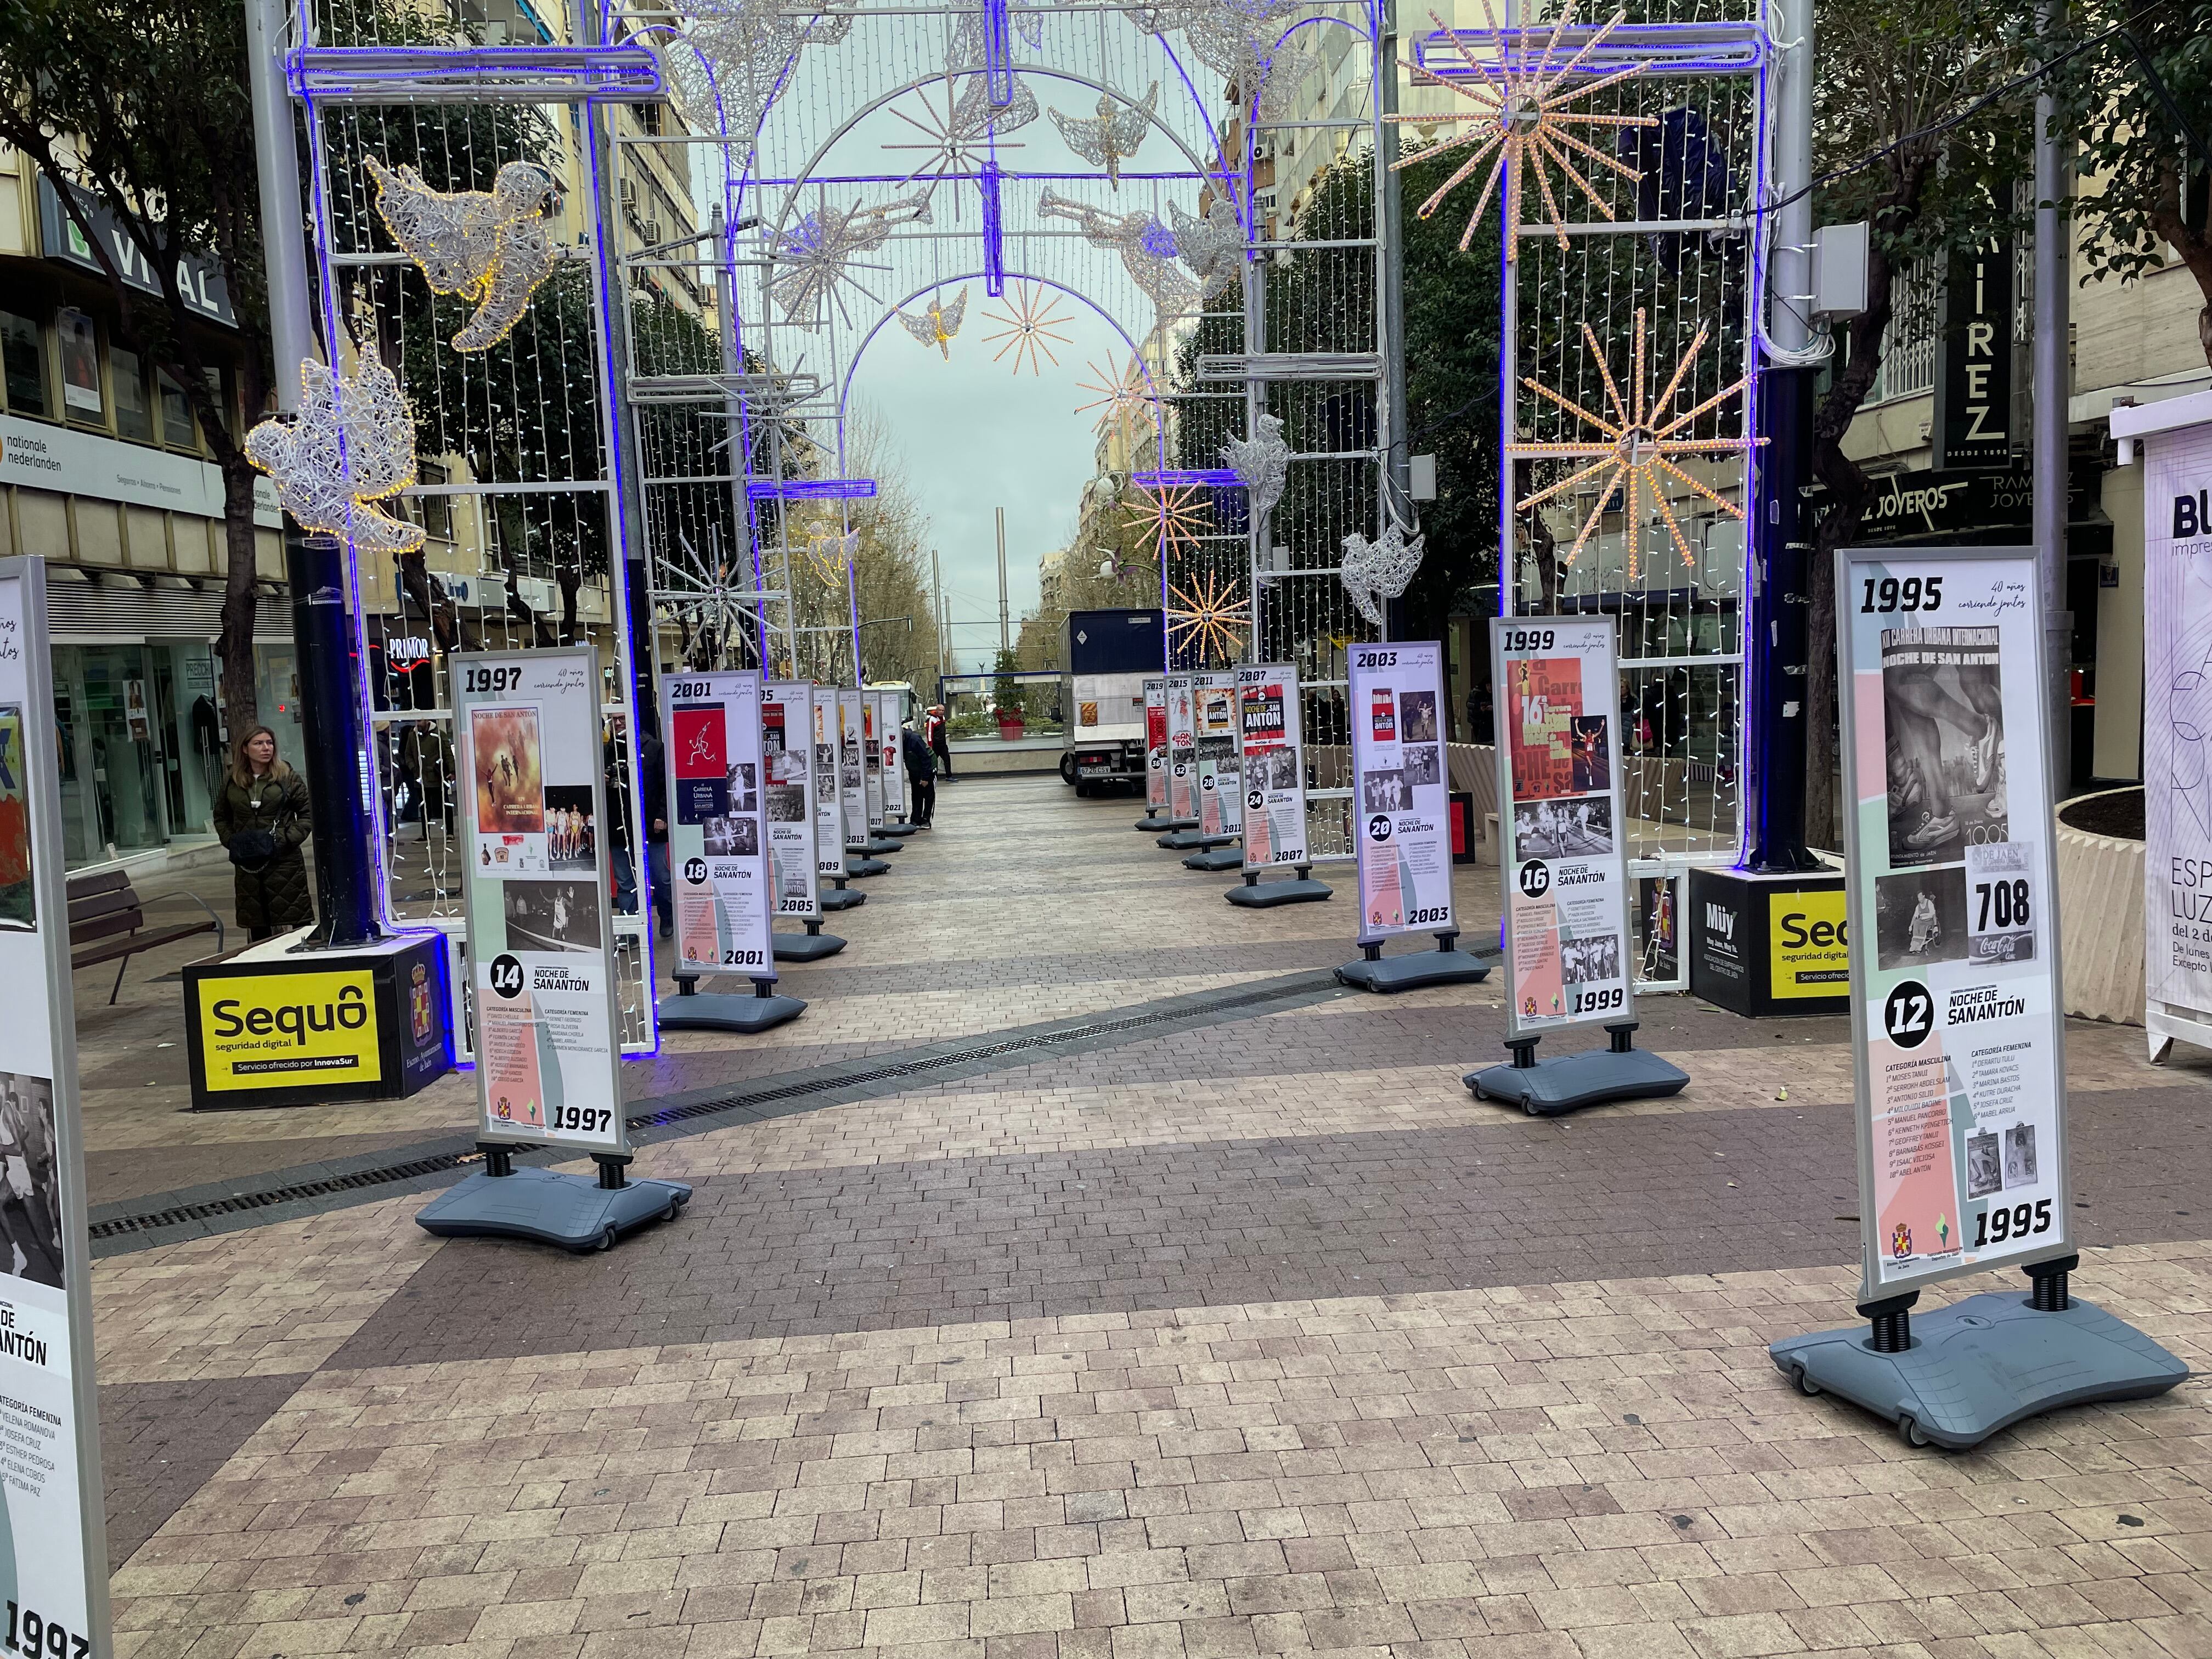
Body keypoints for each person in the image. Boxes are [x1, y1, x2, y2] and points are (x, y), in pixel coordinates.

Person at [214, 725, 313, 943]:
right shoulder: (233, 780)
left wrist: (287, 839)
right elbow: (221, 816)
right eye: (258, 744)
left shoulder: (287, 776)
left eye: (269, 743)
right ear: (245, 749)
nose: (266, 748)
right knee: (257, 922)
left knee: (297, 917)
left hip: (285, 860)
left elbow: (307, 814)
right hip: (248, 861)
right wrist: (231, 841)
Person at [902, 720, 936, 827]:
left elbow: (925, 758)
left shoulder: (914, 739)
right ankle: (915, 819)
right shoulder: (897, 742)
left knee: (928, 794)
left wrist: (925, 778)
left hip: (928, 766)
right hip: (914, 769)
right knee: (916, 794)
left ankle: (926, 819)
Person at [928, 703, 953, 781]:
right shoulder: (932, 719)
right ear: (936, 710)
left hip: (943, 744)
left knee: (947, 759)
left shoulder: (943, 718)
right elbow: (929, 732)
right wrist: (930, 745)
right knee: (933, 762)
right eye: (940, 710)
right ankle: (933, 777)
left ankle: (949, 776)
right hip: (935, 745)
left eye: (943, 710)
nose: (942, 712)